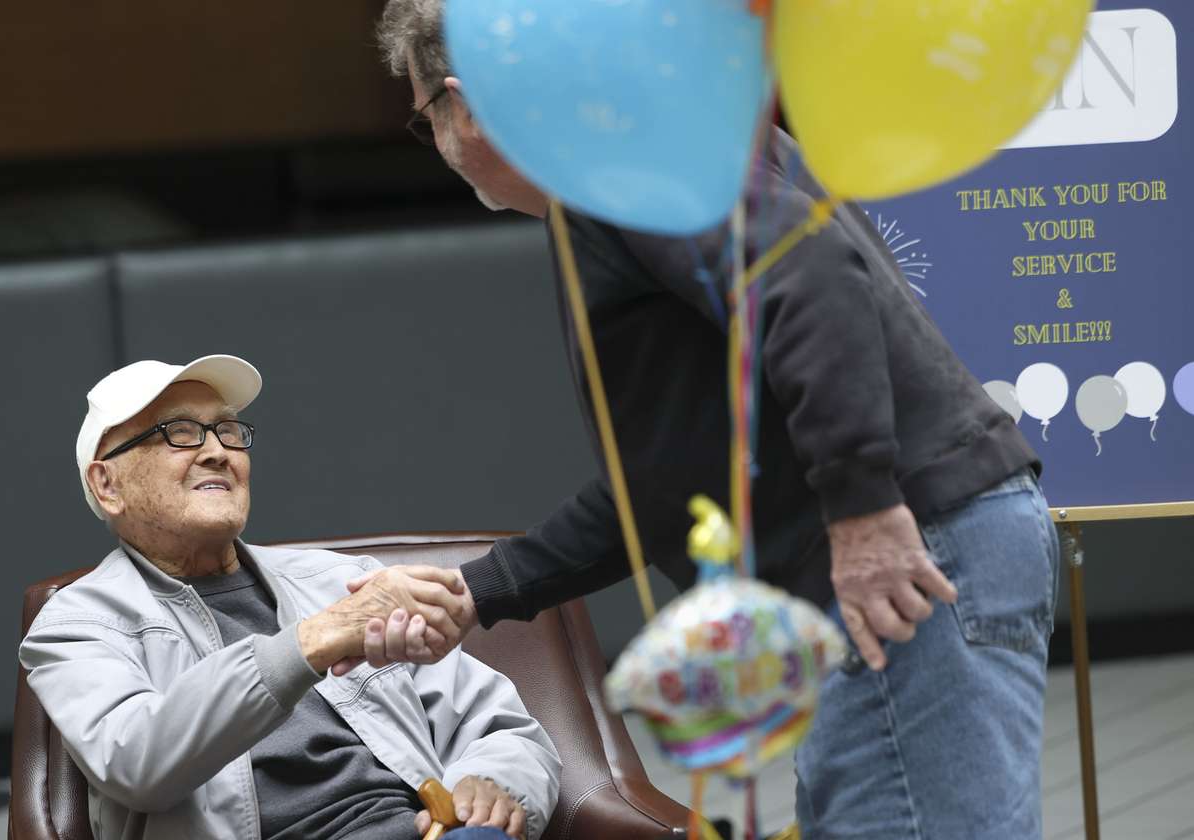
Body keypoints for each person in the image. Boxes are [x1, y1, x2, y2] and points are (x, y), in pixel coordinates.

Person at [373, 4, 1061, 837]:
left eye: (423, 123)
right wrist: (479, 590)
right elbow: (670, 479)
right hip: (923, 544)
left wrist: (865, 513)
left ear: (466, 102)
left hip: (906, 554)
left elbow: (811, 281)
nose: (437, 146)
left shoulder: (617, 162)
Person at [18, 354, 560, 840]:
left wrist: (495, 783)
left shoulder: (340, 582)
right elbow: (139, 760)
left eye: (227, 430)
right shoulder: (76, 623)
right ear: (107, 485)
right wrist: (312, 640)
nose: (216, 452)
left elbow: (499, 724)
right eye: (179, 433)